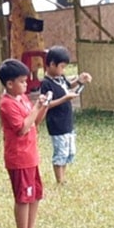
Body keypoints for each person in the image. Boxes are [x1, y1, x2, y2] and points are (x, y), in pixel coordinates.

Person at [0, 58, 49, 228]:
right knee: (23, 197)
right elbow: (22, 128)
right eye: (22, 81)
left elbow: (35, 122)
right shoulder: (7, 104)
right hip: (19, 158)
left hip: (31, 155)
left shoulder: (23, 98)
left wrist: (42, 107)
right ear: (9, 84)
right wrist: (36, 107)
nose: (26, 85)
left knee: (35, 194)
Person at [39, 47, 90, 187]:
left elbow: (69, 85)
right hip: (57, 124)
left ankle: (63, 177)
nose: (63, 70)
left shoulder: (60, 78)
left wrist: (80, 80)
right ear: (51, 64)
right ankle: (59, 180)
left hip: (67, 122)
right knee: (60, 152)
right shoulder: (46, 84)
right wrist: (64, 99)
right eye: (61, 67)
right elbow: (46, 105)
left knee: (68, 151)